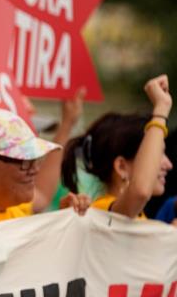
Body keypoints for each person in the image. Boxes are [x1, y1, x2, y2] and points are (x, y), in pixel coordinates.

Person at [62, 75, 173, 219]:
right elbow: (140, 192)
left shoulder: (137, 216)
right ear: (121, 167)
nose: (169, 164)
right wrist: (161, 109)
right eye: (157, 153)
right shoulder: (102, 210)